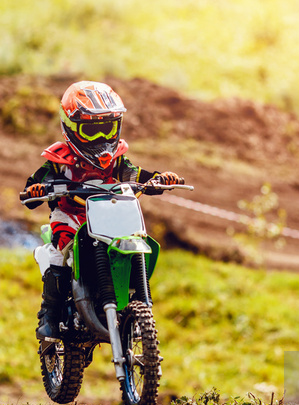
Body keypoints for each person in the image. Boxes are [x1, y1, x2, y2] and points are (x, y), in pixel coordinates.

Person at [22, 81, 183, 341]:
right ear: (71, 128)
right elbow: (33, 186)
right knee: (59, 250)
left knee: (137, 238)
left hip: (112, 213)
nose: (100, 139)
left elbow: (134, 173)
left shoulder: (117, 158)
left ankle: (137, 307)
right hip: (71, 216)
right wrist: (37, 191)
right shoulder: (59, 160)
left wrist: (158, 179)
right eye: (92, 131)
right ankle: (49, 315)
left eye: (106, 129)